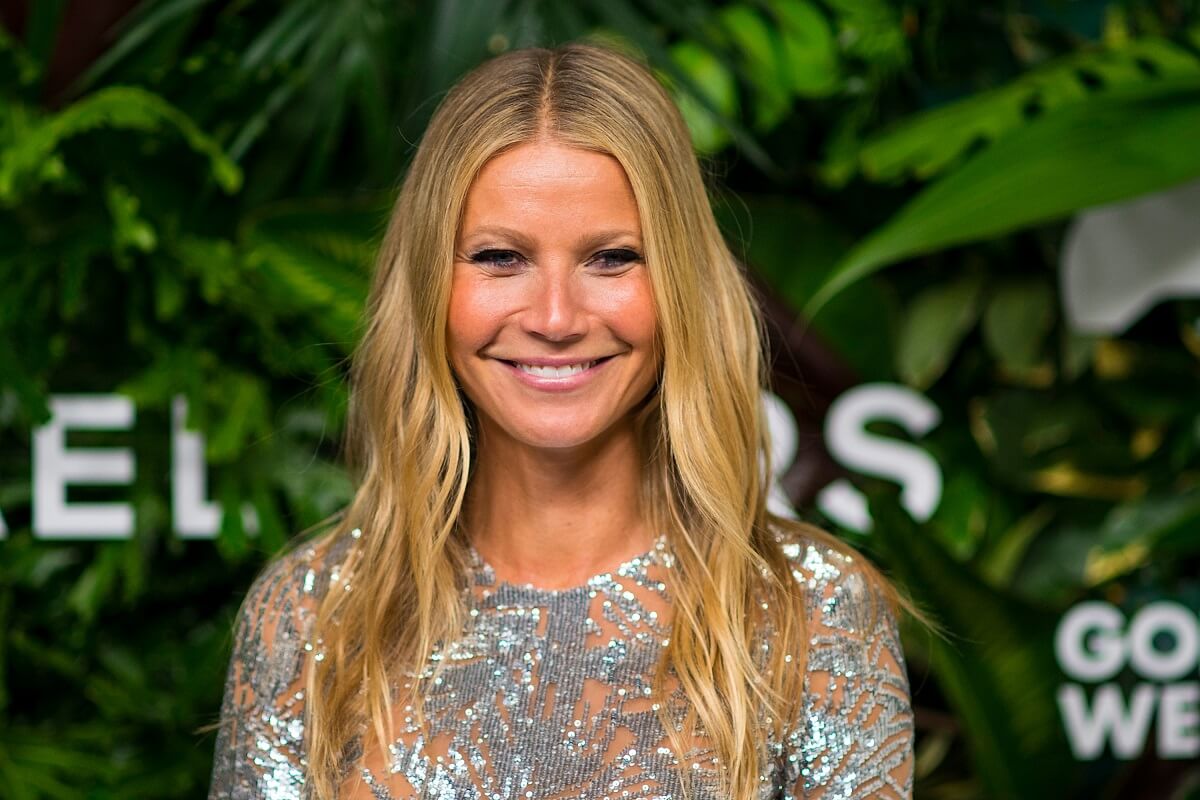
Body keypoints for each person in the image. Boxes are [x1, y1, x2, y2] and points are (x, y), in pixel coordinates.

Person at [208, 42, 914, 800]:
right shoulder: (312, 614)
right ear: (427, 287)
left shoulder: (813, 616)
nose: (554, 318)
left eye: (611, 259)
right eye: (499, 257)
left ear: (682, 284)